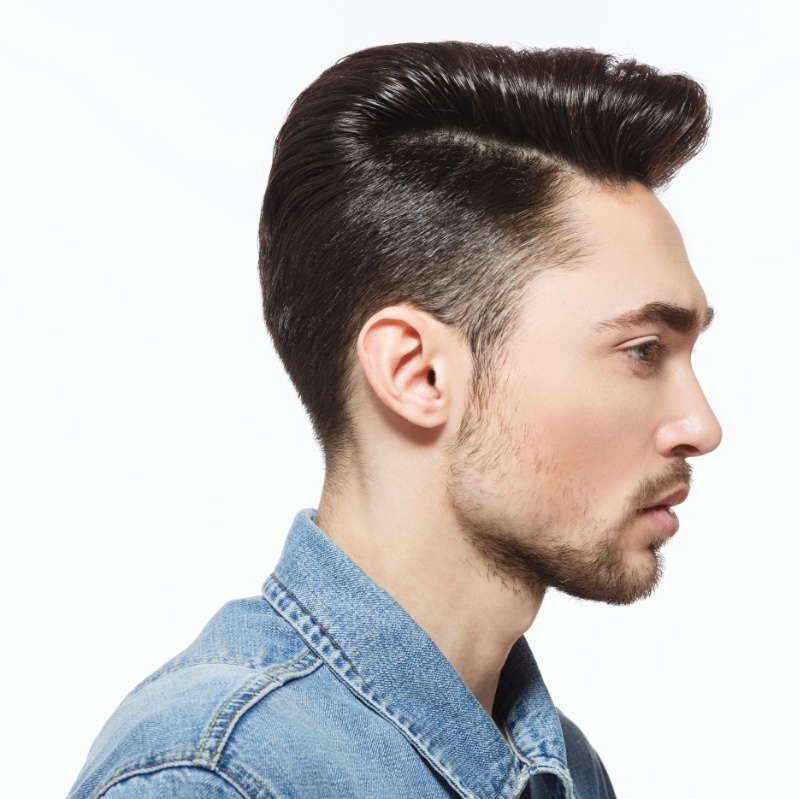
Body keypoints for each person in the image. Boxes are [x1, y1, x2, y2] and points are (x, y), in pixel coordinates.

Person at [67, 42, 722, 799]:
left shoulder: (565, 769)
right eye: (644, 350)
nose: (700, 425)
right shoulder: (217, 775)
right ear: (418, 372)